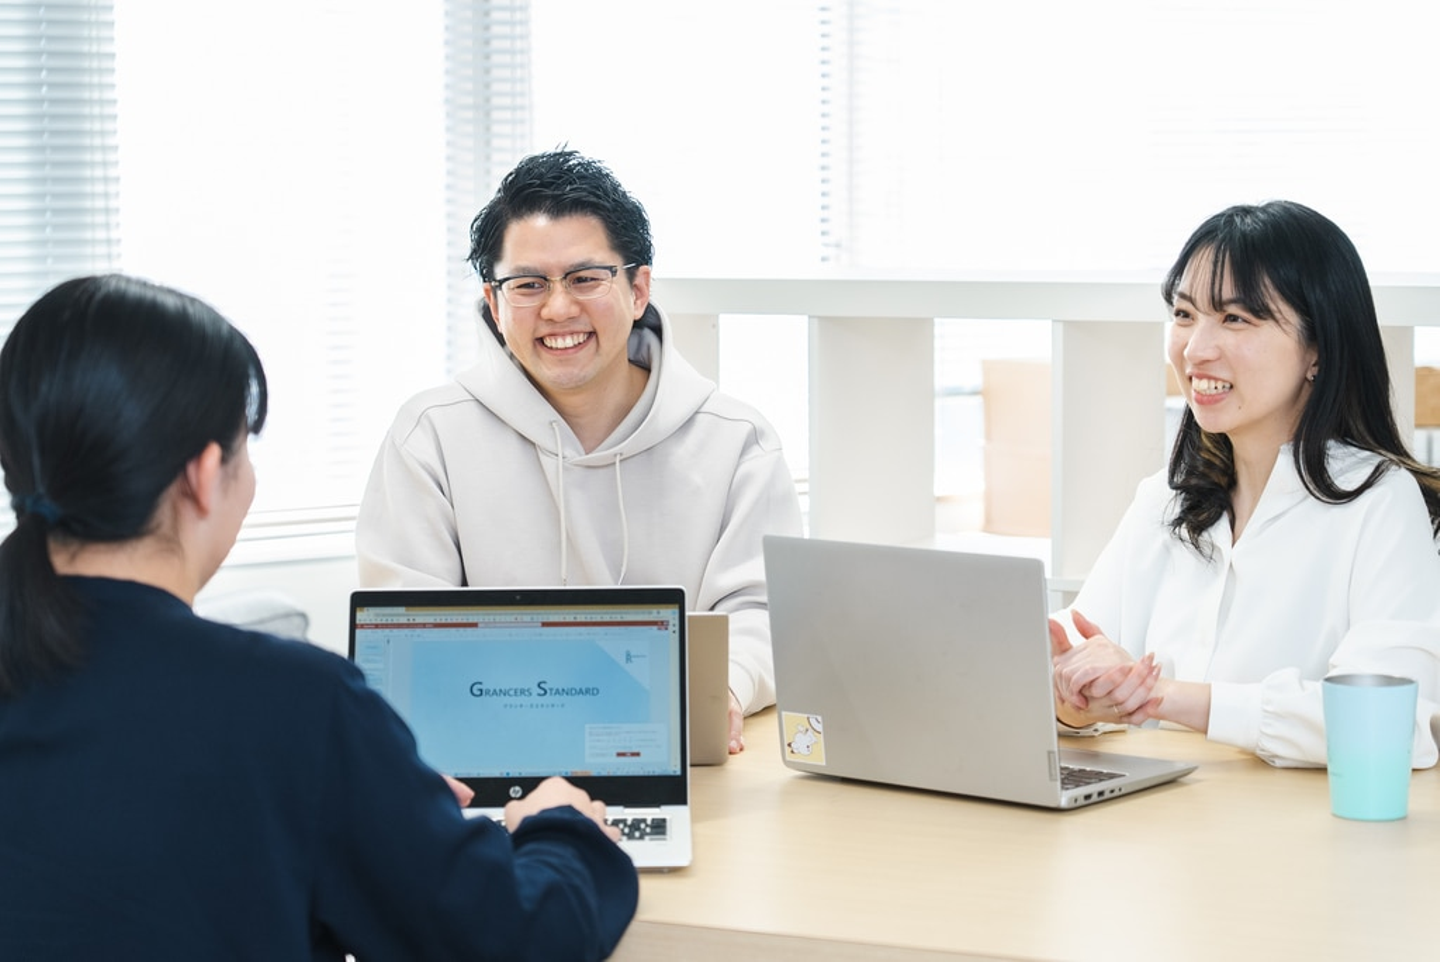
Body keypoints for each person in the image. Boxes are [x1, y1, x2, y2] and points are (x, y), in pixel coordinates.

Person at [0, 275, 637, 960]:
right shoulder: (290, 706)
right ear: (204, 475)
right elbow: (514, 941)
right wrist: (561, 827)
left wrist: (377, 795)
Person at [356, 149, 804, 753]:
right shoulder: (430, 435)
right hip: (488, 753)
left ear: (638, 289)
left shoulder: (736, 440)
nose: (558, 308)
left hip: (680, 749)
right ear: (494, 303)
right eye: (528, 285)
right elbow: (404, 630)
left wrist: (721, 688)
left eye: (585, 278)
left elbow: (762, 611)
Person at [1049, 200, 1440, 768]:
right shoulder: (1165, 500)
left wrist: (1161, 697)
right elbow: (1072, 661)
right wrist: (1077, 699)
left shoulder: (1381, 501)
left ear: (1318, 349)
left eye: (1235, 319)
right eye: (1184, 313)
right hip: (1157, 815)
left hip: (1294, 824)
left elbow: (1390, 722)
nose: (1195, 349)